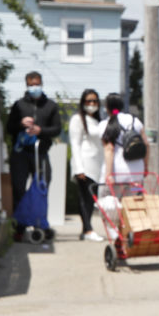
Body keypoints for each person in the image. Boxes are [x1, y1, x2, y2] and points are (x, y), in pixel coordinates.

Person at [6, 71, 62, 234]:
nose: (34, 88)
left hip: (41, 152)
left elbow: (56, 129)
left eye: (36, 84)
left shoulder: (50, 106)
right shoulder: (19, 105)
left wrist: (40, 130)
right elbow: (10, 128)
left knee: (41, 187)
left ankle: (40, 222)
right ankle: (20, 226)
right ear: (26, 86)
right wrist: (21, 123)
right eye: (31, 85)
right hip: (21, 153)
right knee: (18, 187)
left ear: (42, 84)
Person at [68, 89, 105, 241]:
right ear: (83, 103)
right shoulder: (77, 119)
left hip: (97, 164)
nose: (91, 104)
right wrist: (79, 168)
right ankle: (88, 229)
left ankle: (86, 229)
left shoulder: (97, 121)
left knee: (91, 198)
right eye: (88, 101)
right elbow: (75, 144)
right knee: (85, 197)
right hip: (85, 163)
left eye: (94, 101)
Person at [98, 93, 149, 181]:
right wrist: (145, 167)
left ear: (107, 107)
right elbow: (146, 145)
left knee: (107, 195)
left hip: (117, 174)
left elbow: (109, 149)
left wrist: (109, 174)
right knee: (134, 194)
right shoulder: (135, 121)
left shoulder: (104, 125)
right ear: (121, 105)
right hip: (137, 174)